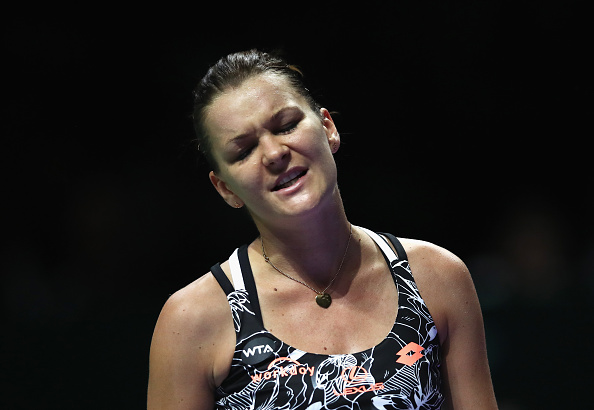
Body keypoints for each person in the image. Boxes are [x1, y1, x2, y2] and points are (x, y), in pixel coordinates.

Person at [147, 49, 498, 409]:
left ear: (328, 128)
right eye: (244, 150)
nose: (273, 153)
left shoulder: (436, 277)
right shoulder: (191, 321)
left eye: (286, 126)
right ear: (225, 189)